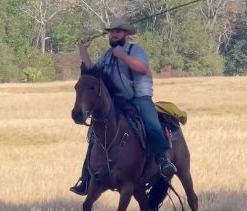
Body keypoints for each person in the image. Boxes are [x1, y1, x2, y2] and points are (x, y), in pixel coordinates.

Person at [69, 16, 177, 196]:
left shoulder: (135, 50)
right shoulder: (107, 55)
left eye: (117, 31)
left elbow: (142, 69)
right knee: (96, 133)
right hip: (117, 101)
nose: (114, 34)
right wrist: (83, 51)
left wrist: (124, 57)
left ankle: (164, 160)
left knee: (150, 122)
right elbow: (92, 71)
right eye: (111, 32)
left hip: (139, 98)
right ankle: (87, 176)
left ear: (125, 34)